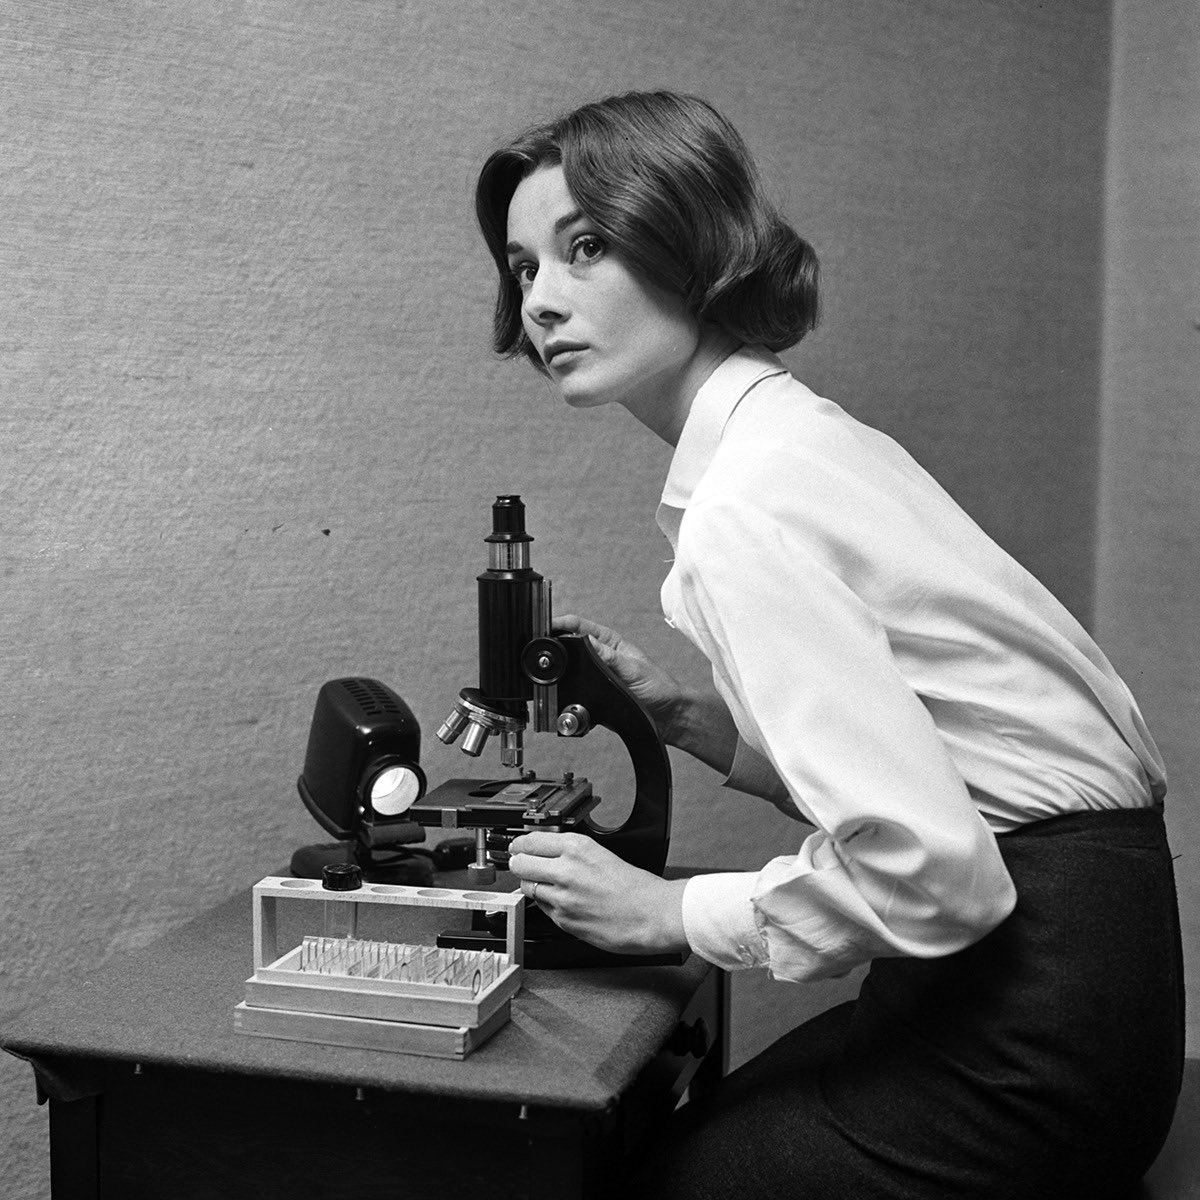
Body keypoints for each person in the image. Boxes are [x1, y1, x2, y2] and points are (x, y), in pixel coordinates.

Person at [475, 90, 1184, 1198]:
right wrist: (695, 727)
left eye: (587, 247)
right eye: (524, 269)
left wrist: (668, 910)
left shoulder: (745, 506)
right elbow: (956, 777)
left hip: (1036, 1033)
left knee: (664, 1177)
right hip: (1088, 982)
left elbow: (939, 876)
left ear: (689, 241)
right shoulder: (798, 435)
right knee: (708, 1118)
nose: (543, 304)